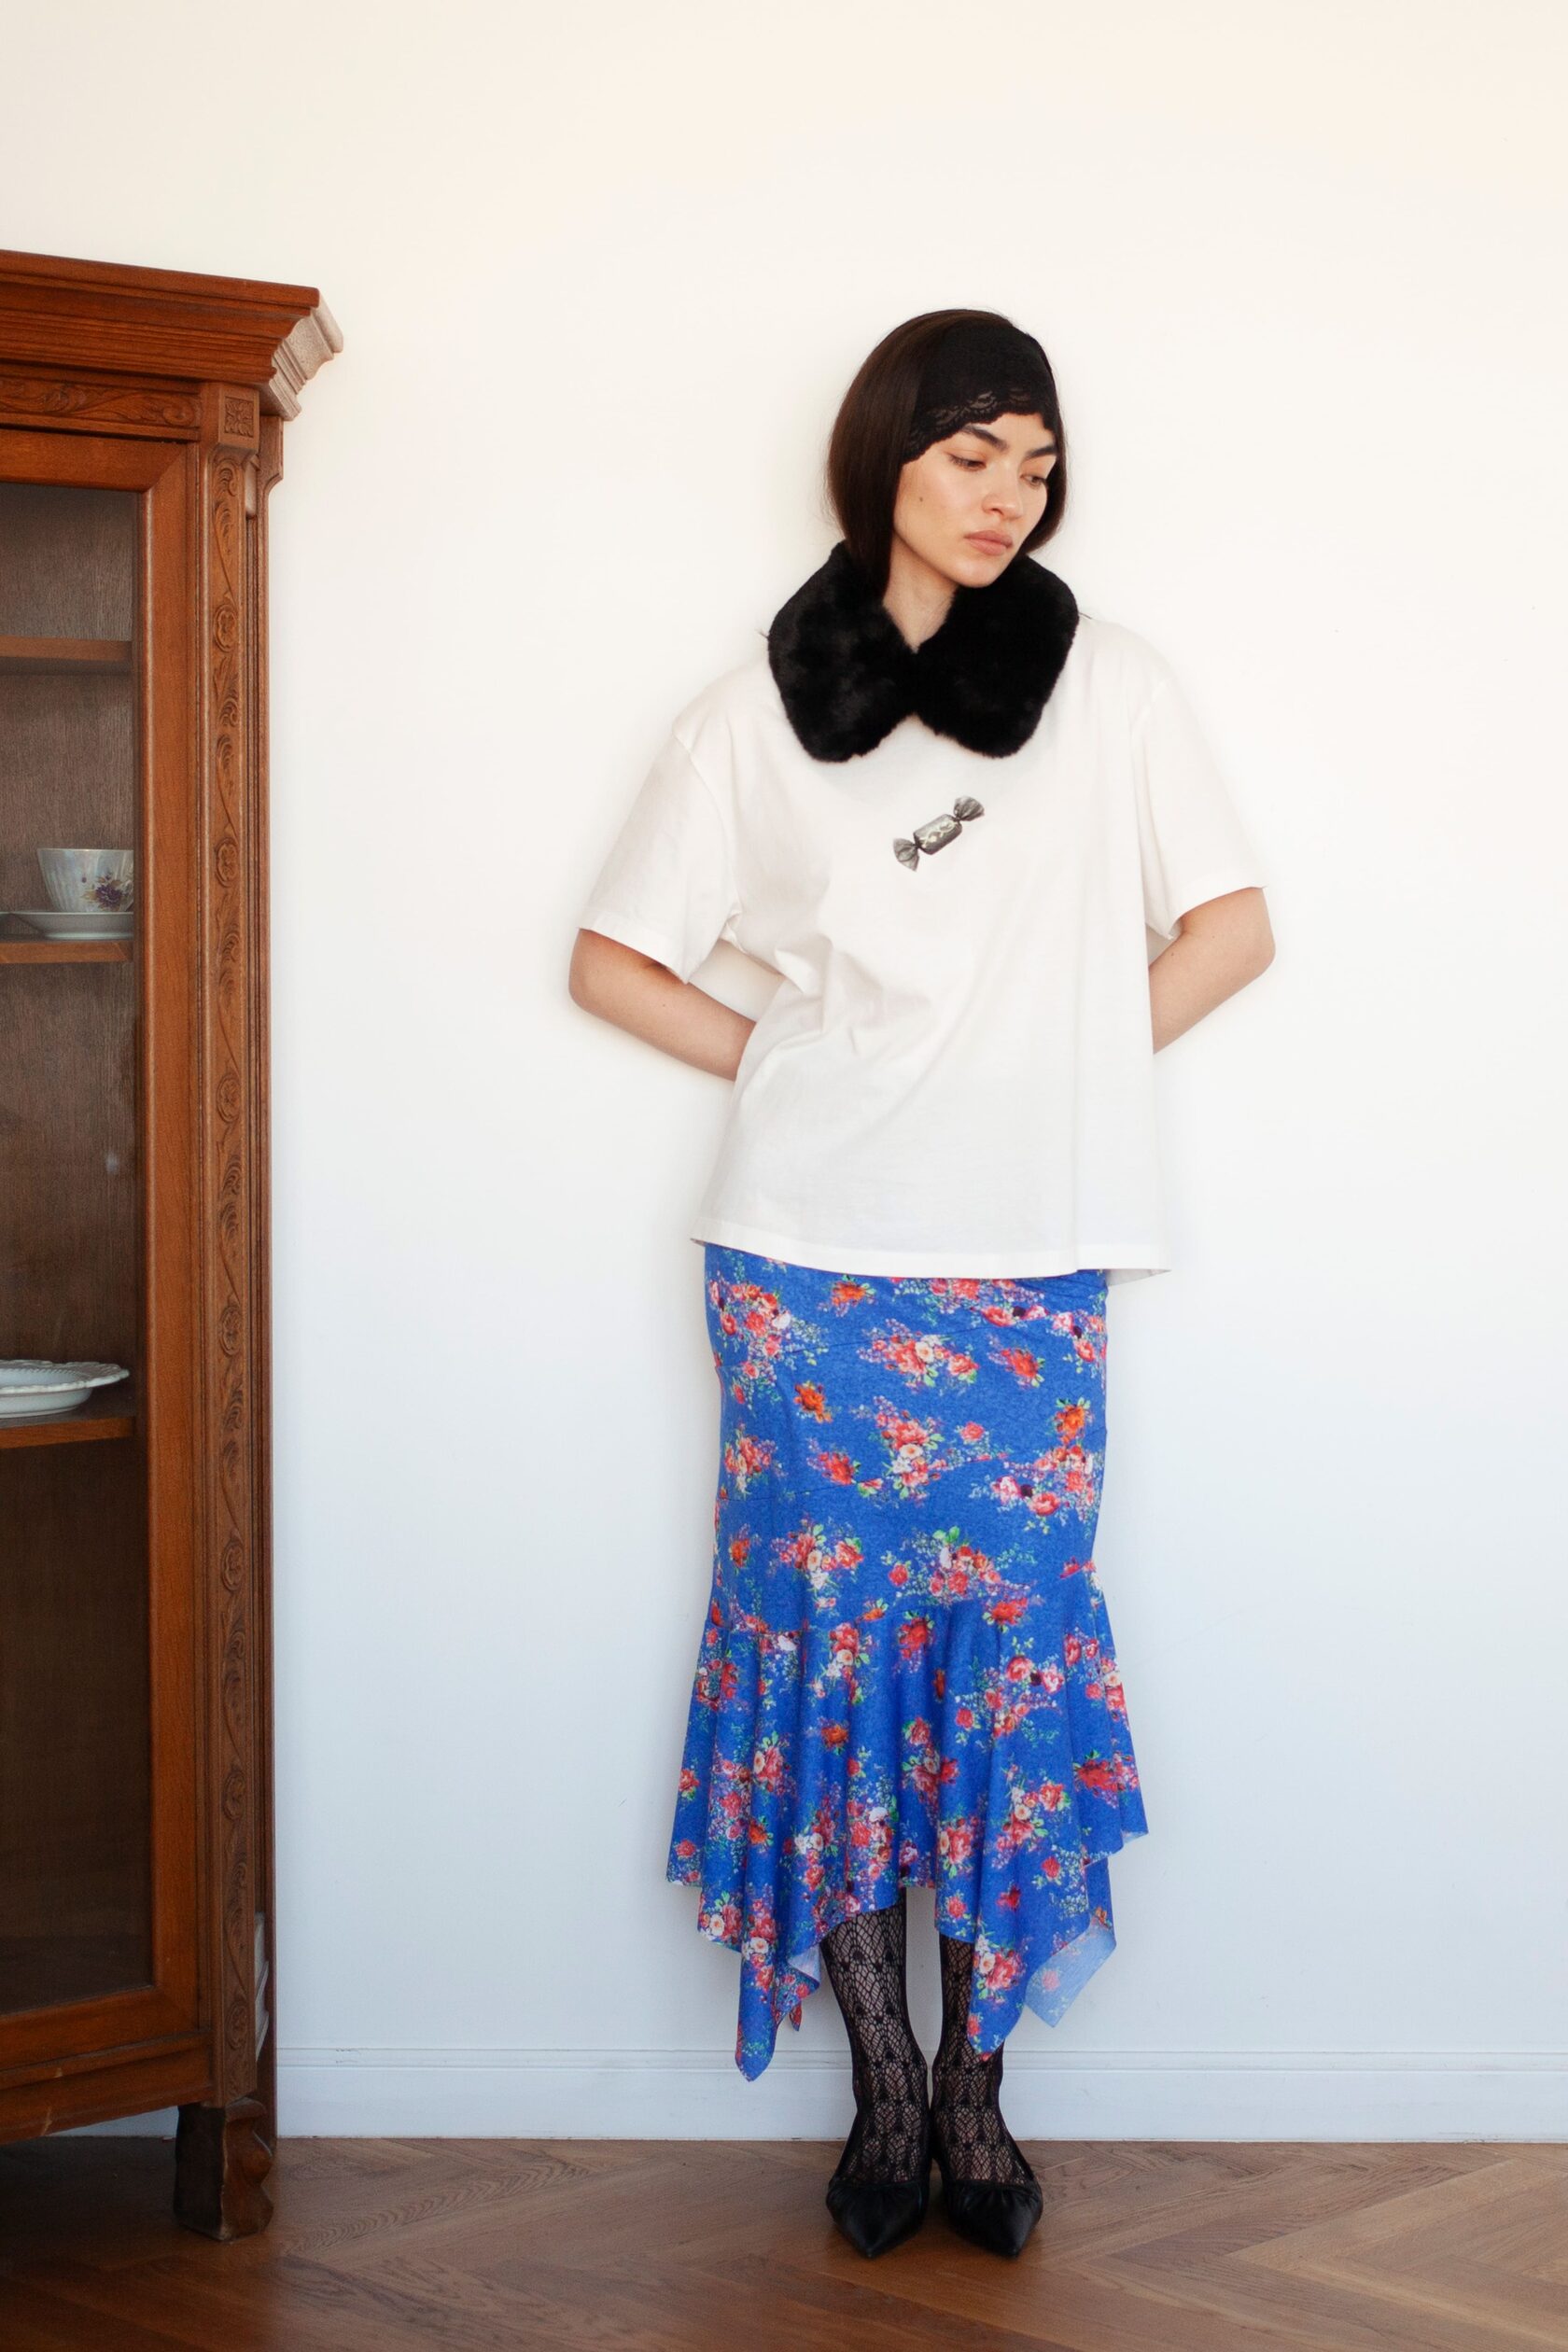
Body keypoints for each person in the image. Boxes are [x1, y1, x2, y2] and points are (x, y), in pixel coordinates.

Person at [568, 309, 1275, 2261]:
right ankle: (884, 2094)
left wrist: (1052, 1073)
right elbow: (614, 958)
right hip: (805, 1270)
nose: (1006, 496)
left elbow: (1234, 929)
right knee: (831, 1660)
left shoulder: (1112, 687)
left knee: (1003, 1665)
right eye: (973, 455)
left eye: (1036, 465)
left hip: (1027, 1269)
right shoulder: (751, 716)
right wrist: (801, 1067)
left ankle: (979, 2093)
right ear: (885, 455)